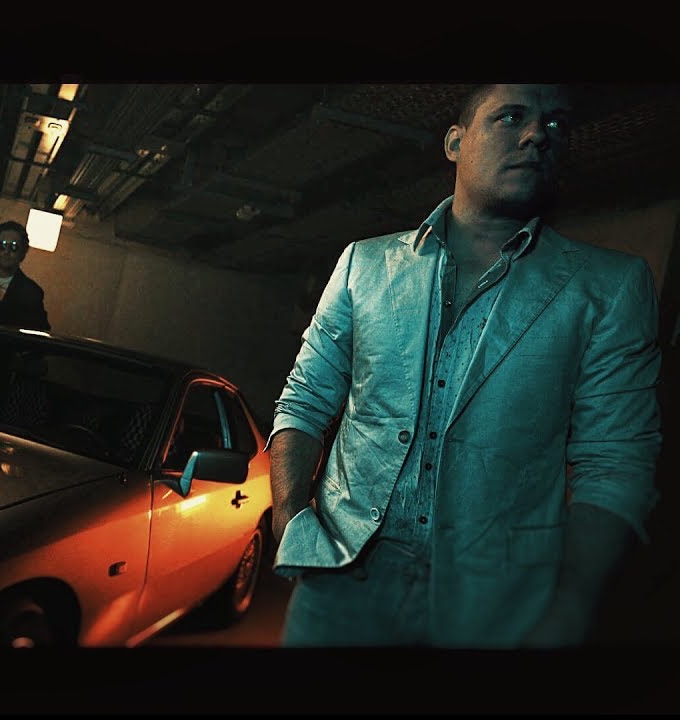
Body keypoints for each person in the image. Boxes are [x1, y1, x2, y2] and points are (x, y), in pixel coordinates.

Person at [268, 84, 661, 648]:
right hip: (339, 581)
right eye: (511, 117)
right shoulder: (363, 264)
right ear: (455, 142)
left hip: (496, 605)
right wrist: (289, 516)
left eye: (555, 124)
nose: (536, 135)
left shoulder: (609, 287)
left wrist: (573, 603)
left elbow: (616, 461)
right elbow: (306, 398)